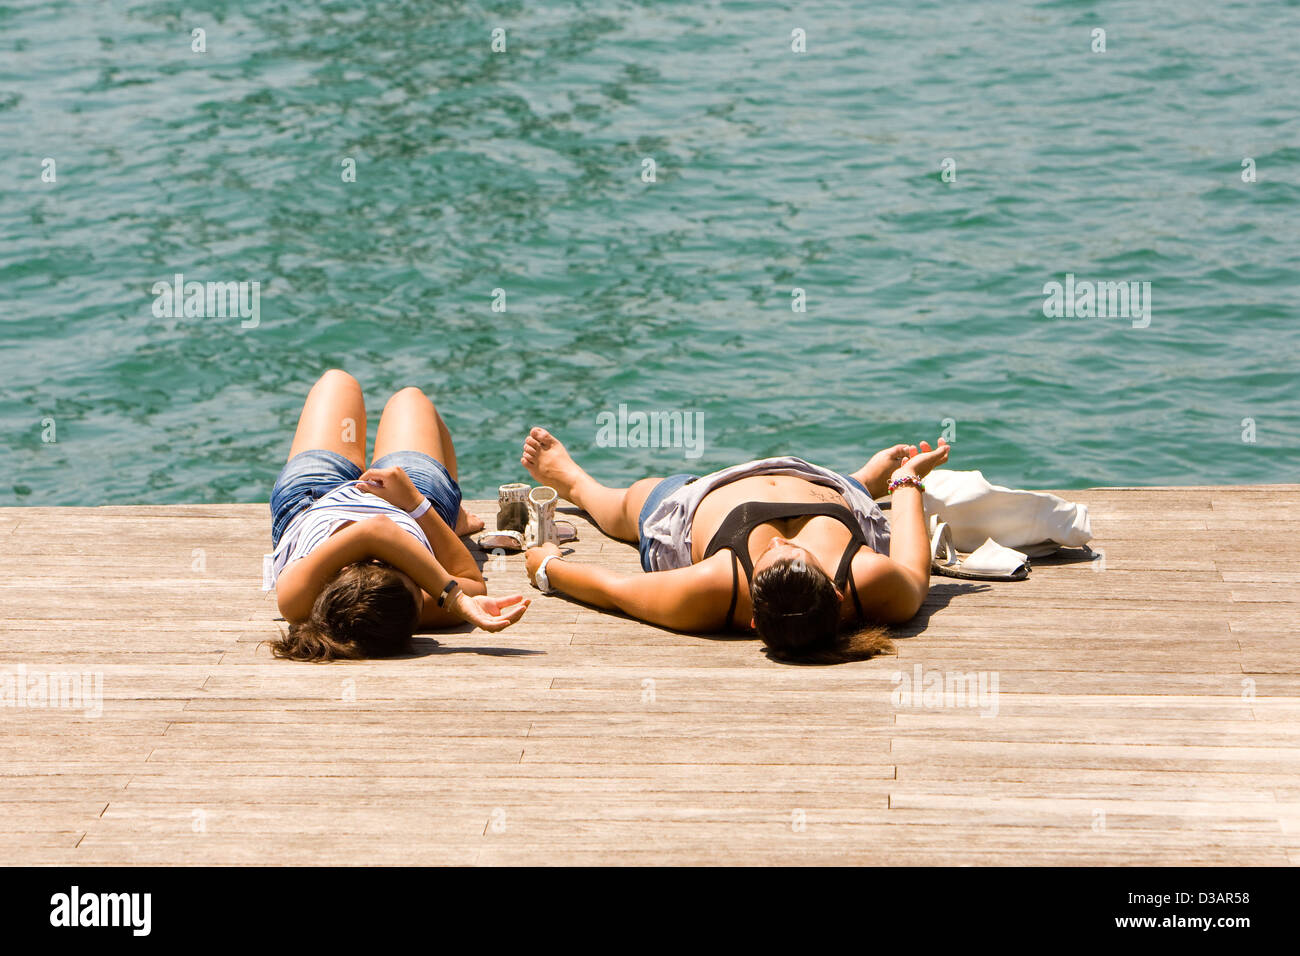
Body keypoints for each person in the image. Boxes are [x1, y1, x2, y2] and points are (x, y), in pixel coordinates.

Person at [520, 427, 950, 663]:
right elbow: (916, 573)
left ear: (752, 619)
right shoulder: (869, 579)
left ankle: (576, 482)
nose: (779, 539)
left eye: (770, 554)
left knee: (628, 507)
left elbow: (616, 591)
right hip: (825, 484)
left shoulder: (716, 587)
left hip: (693, 501)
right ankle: (862, 482)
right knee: (852, 496)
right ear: (836, 591)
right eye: (799, 554)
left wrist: (548, 567)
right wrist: (906, 480)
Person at [268, 370, 528, 661]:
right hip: (410, 504)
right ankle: (447, 525)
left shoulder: (297, 601)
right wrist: (415, 502)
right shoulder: (418, 607)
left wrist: (454, 597)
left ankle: (446, 521)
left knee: (337, 382)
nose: (386, 556)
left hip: (312, 498)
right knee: (410, 399)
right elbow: (471, 581)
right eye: (410, 568)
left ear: (337, 581)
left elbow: (374, 532)